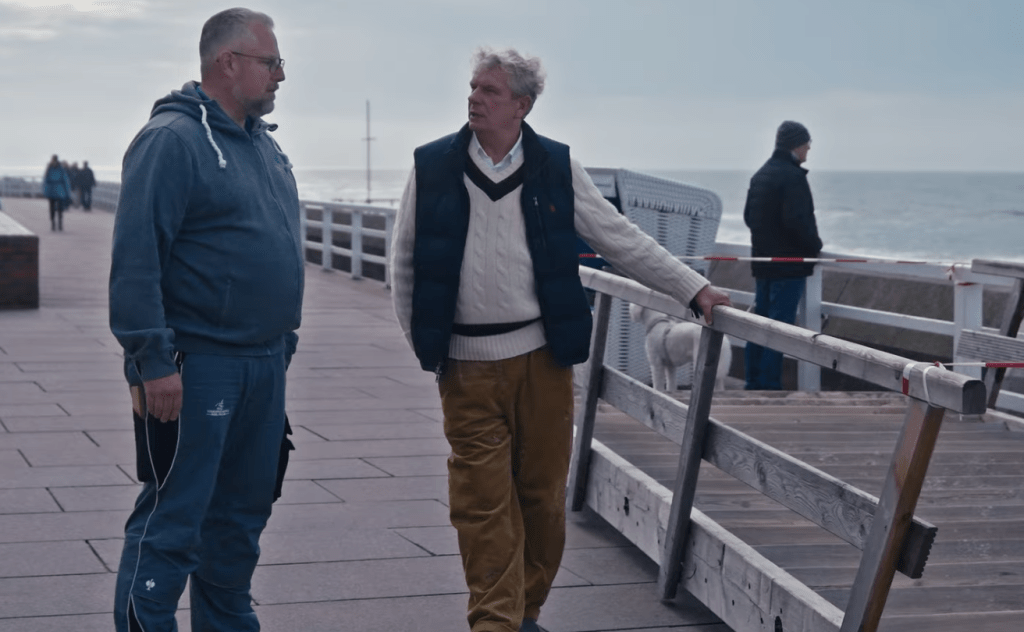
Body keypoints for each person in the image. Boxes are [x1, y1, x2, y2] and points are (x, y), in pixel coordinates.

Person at [390, 47, 731, 632]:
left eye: (489, 91)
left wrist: (693, 288)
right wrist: (426, 346)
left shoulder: (555, 165)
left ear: (521, 105)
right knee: (480, 503)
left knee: (542, 499)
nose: (474, 98)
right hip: (466, 368)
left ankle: (524, 612)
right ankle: (495, 622)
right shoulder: (432, 165)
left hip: (542, 363)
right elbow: (404, 264)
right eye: (473, 87)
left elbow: (619, 238)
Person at [108, 8, 301, 631]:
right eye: (271, 62)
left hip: (263, 363)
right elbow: (136, 261)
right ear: (228, 62)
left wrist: (281, 343)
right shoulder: (171, 141)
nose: (280, 75)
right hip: (197, 366)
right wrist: (152, 363)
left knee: (240, 523)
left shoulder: (264, 144)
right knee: (174, 519)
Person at [742, 120, 823, 390]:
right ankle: (768, 386)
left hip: (763, 264)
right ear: (796, 145)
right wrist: (815, 247)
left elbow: (749, 218)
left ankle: (753, 382)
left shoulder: (760, 175)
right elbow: (798, 222)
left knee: (759, 325)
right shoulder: (793, 177)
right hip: (788, 267)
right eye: (807, 144)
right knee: (779, 329)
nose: (809, 149)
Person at [41, 154, 71, 231]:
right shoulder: (61, 168)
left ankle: (54, 224)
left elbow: (45, 181)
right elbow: (65, 181)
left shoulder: (49, 168)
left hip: (52, 190)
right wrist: (67, 192)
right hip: (59, 190)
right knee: (59, 209)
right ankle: (58, 224)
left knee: (52, 208)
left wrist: (44, 191)